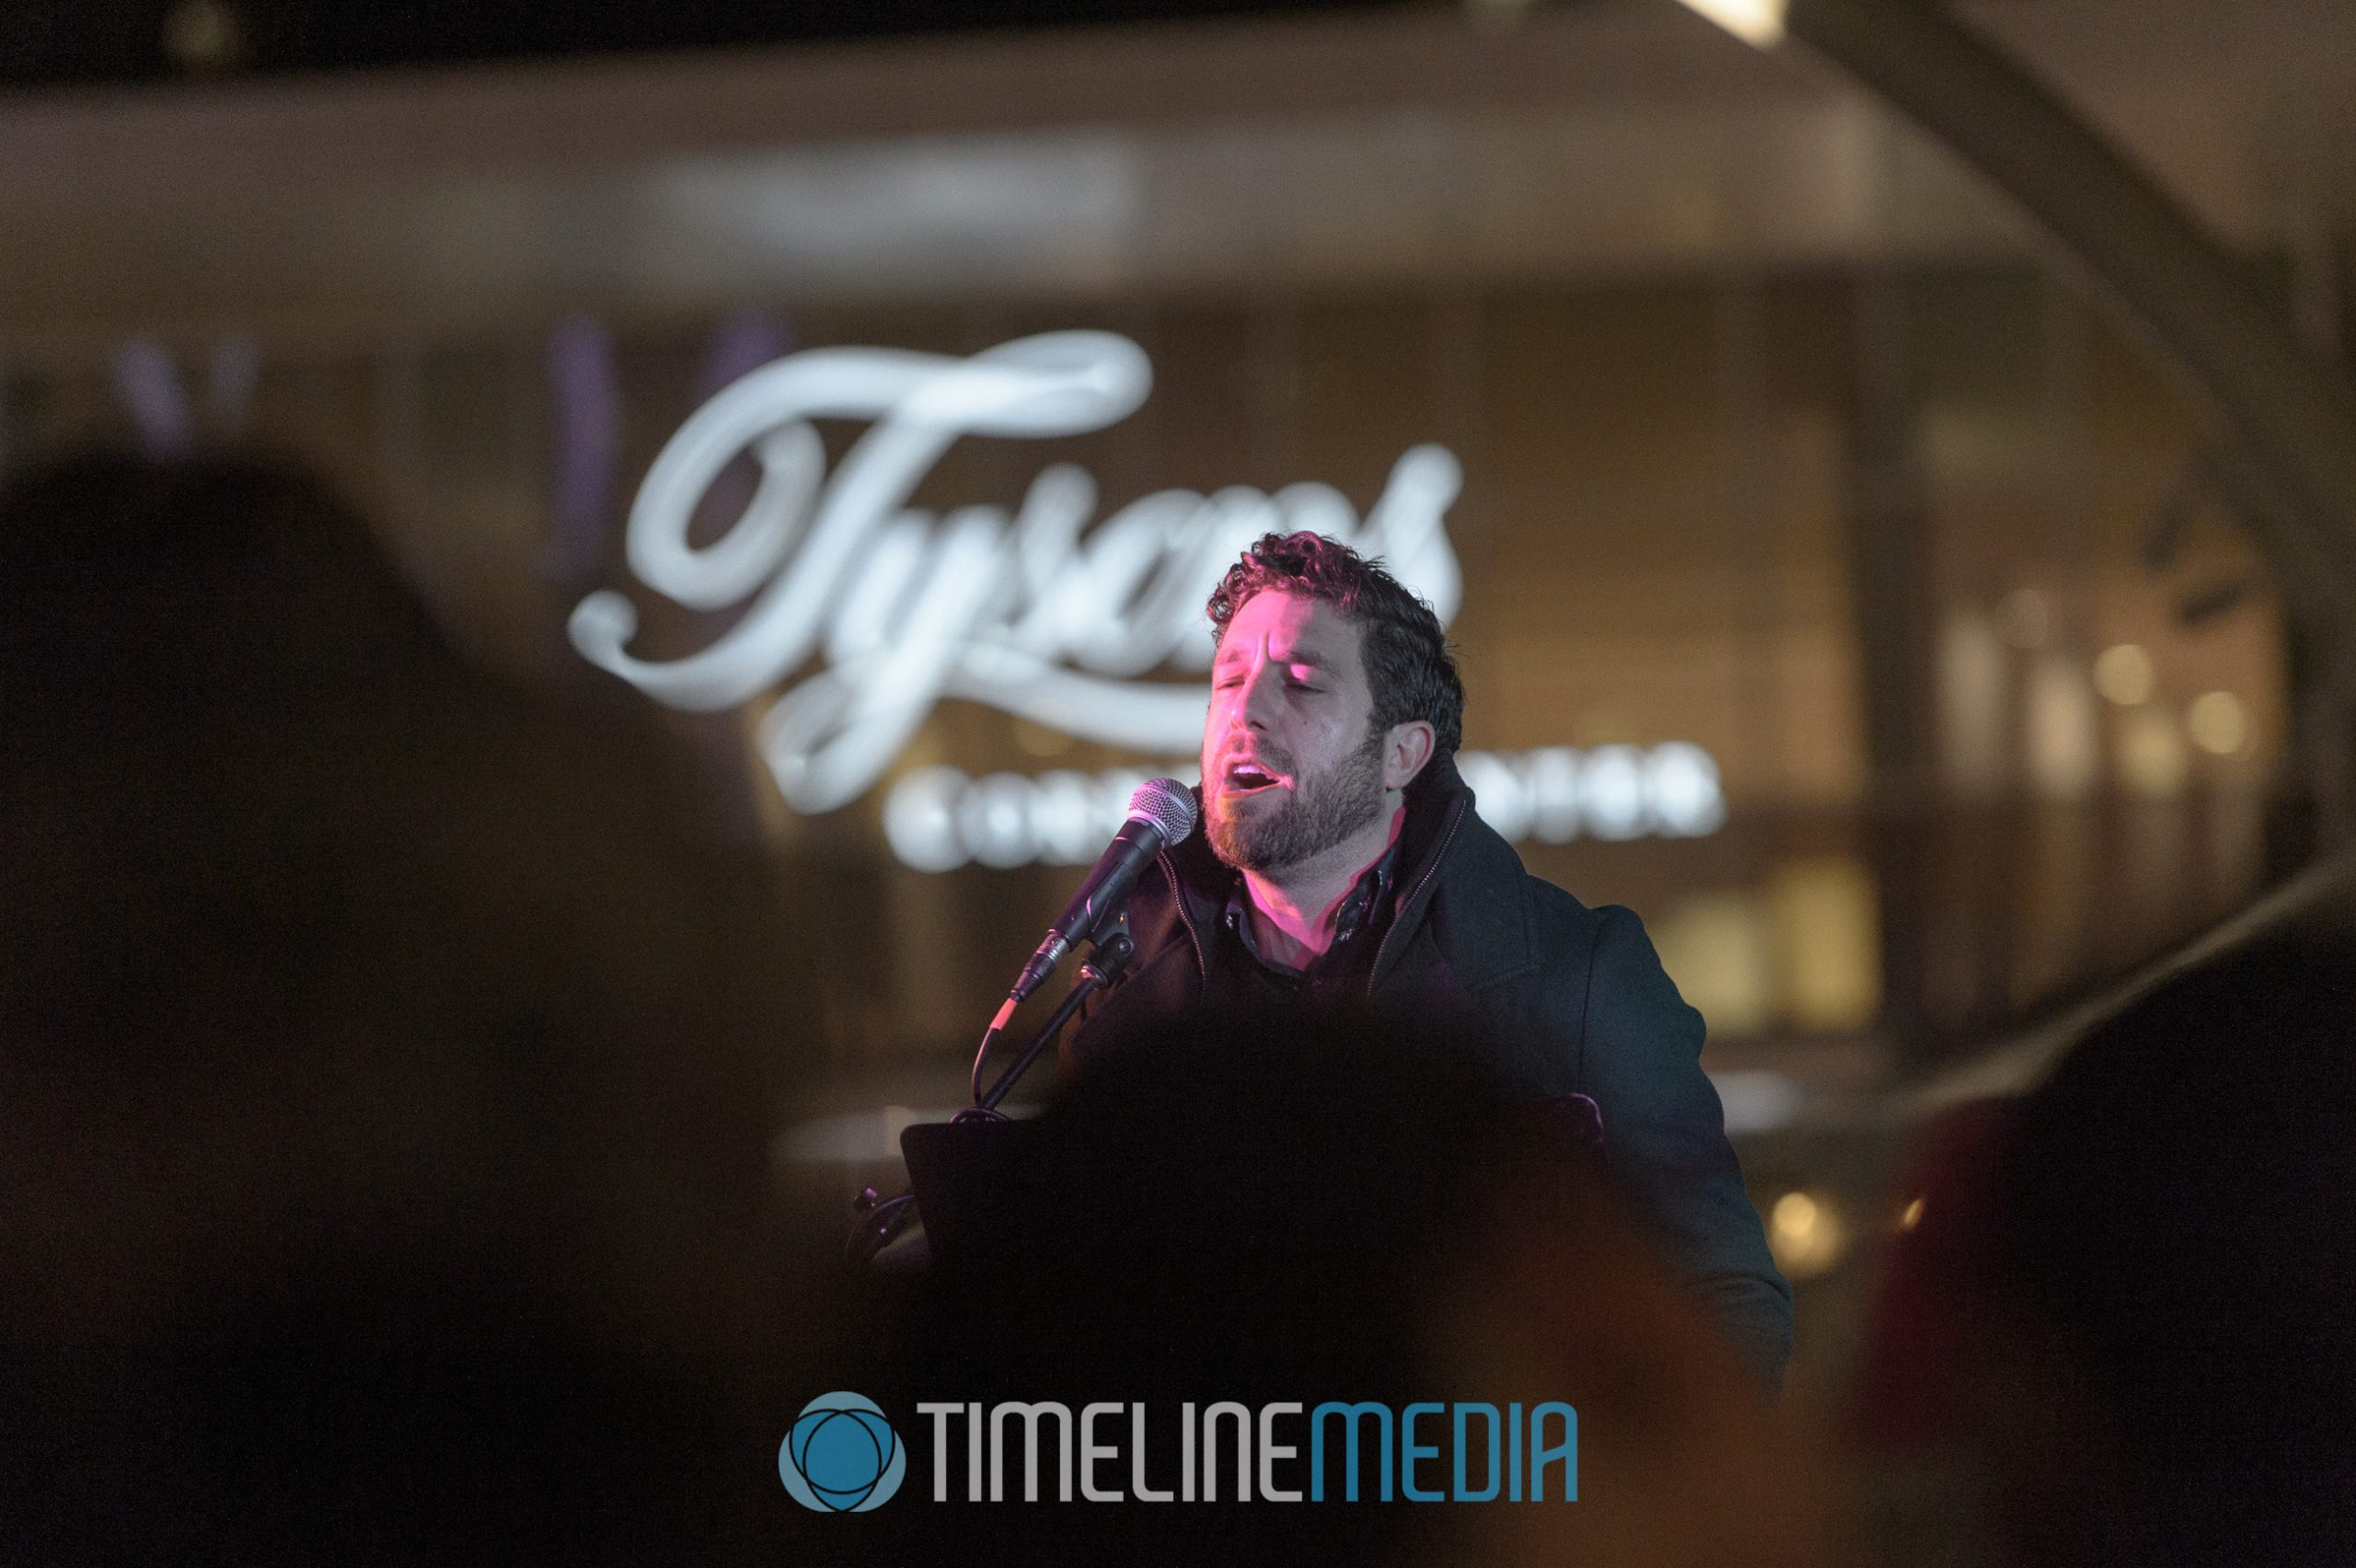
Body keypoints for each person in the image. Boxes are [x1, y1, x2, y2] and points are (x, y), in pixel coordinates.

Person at [1065, 531, 1792, 1387]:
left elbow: (1727, 1307)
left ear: (1402, 755)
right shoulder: (1133, 993)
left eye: (1299, 683)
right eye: (1227, 680)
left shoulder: (1575, 975)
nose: (1245, 711)